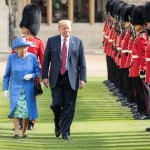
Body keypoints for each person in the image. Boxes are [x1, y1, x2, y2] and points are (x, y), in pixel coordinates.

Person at [42, 19, 87, 140]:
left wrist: (83, 79)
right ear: (59, 29)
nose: (67, 30)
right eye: (64, 28)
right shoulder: (52, 41)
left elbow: (82, 62)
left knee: (69, 106)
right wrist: (44, 77)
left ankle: (66, 132)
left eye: (68, 28)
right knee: (56, 104)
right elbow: (46, 60)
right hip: (56, 78)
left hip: (71, 78)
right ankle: (58, 123)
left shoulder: (78, 42)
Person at [12, 3, 44, 130]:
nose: (22, 28)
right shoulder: (18, 42)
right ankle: (19, 122)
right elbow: (12, 58)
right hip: (19, 76)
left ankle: (31, 122)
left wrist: (41, 76)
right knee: (18, 99)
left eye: (24, 26)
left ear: (30, 26)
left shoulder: (38, 43)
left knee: (30, 100)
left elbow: (43, 61)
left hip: (31, 77)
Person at [3, 37, 41, 139]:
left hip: (28, 89)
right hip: (15, 89)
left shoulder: (32, 57)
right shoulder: (11, 58)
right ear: (15, 50)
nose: (23, 50)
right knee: (16, 110)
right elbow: (6, 75)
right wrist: (5, 89)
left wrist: (32, 75)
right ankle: (16, 132)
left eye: (24, 47)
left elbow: (38, 71)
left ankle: (24, 132)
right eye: (20, 48)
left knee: (26, 111)